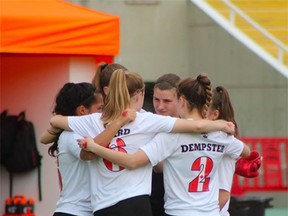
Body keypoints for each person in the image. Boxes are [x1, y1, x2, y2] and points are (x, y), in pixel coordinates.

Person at [49, 70, 236, 216]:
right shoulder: (147, 120)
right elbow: (196, 127)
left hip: (103, 207)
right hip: (136, 202)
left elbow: (56, 121)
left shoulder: (93, 120)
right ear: (140, 94)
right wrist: (220, 124)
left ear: (109, 92)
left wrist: (53, 134)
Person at [40, 82, 135, 216]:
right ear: (82, 111)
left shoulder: (93, 133)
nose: (103, 114)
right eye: (100, 108)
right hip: (74, 212)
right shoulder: (70, 134)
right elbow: (89, 154)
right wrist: (119, 122)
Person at [151, 73, 181, 216]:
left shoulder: (192, 127)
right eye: (156, 99)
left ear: (181, 100)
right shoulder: (147, 123)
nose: (160, 106)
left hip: (178, 204)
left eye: (167, 101)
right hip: (152, 199)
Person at [207, 86, 239, 216]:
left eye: (203, 110)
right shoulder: (205, 139)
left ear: (215, 114)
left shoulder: (223, 143)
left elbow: (223, 195)